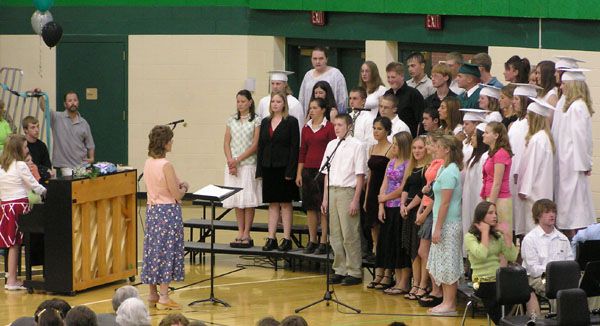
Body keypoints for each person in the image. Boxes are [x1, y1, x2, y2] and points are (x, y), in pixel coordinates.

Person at [465, 201, 538, 324]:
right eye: (490, 213)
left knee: (528, 290)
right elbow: (481, 255)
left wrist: (507, 235)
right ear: (481, 215)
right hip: (482, 281)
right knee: (503, 293)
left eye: (495, 213)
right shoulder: (470, 236)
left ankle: (535, 321)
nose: (495, 216)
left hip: (500, 279)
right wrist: (484, 233)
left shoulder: (497, 235)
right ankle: (505, 320)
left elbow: (512, 256)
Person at [142, 125, 188, 309]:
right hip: (167, 212)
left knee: (154, 250)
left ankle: (153, 294)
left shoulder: (148, 163)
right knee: (166, 252)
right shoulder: (166, 165)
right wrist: (185, 188)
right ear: (165, 143)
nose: (172, 143)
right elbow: (176, 194)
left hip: (153, 211)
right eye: (170, 139)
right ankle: (164, 296)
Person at [321, 114, 367, 286]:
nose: (336, 128)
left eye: (340, 125)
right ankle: (339, 268)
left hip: (348, 191)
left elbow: (360, 175)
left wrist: (356, 199)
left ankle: (354, 270)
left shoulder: (358, 145)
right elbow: (326, 174)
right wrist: (325, 198)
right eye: (335, 125)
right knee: (335, 233)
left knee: (349, 232)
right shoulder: (331, 145)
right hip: (332, 190)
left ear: (349, 126)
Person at [0, 135, 46, 291]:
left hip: (5, 207)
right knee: (15, 244)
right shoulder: (20, 165)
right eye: (25, 147)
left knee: (12, 244)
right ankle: (12, 280)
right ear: (18, 149)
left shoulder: (3, 166)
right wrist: (47, 190)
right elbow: (33, 185)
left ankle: (11, 276)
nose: (27, 149)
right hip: (18, 206)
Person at [257, 91, 300, 252]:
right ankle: (271, 237)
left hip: (284, 168)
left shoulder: (291, 122)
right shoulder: (266, 121)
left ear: (284, 104)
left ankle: (287, 238)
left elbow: (294, 147)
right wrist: (259, 169)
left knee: (286, 203)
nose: (275, 104)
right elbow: (261, 146)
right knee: (272, 203)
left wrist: (291, 170)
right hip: (269, 167)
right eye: (273, 101)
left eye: (278, 101)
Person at [554, 69, 595, 235]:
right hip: (569, 162)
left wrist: (585, 164)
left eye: (564, 84)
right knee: (572, 208)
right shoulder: (572, 106)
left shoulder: (577, 107)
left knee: (574, 208)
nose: (561, 87)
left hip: (572, 163)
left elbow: (580, 138)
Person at [426, 135, 464, 315]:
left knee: (449, 262)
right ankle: (446, 301)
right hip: (440, 221)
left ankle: (450, 303)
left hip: (448, 223)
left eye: (438, 146)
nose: (435, 149)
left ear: (447, 149)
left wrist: (438, 227)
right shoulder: (443, 167)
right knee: (442, 261)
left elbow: (446, 203)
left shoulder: (450, 171)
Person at [393, 136, 431, 299]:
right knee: (412, 250)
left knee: (420, 250)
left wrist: (408, 206)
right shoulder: (412, 167)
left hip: (419, 210)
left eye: (420, 148)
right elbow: (406, 188)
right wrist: (402, 204)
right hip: (408, 210)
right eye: (414, 148)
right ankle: (415, 282)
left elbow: (422, 193)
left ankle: (423, 283)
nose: (416, 151)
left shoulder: (427, 169)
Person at [296, 97, 335, 254]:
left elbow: (333, 150)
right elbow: (303, 151)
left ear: (323, 109)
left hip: (323, 171)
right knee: (310, 208)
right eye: (310, 108)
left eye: (315, 108)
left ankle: (324, 241)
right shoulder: (306, 128)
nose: (311, 110)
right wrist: (299, 173)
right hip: (308, 171)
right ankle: (312, 240)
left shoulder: (329, 127)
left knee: (323, 208)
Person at [375, 131, 413, 295]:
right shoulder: (391, 162)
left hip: (399, 207)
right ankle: (396, 280)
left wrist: (385, 197)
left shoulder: (408, 163)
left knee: (399, 244)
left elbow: (403, 187)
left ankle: (404, 282)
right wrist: (381, 204)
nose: (393, 147)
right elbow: (385, 183)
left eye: (396, 144)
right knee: (389, 243)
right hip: (388, 206)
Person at [223, 90, 262, 249]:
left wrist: (238, 159)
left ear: (250, 102)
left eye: (243, 101)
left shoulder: (256, 120)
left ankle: (247, 232)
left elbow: (255, 144)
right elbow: (226, 142)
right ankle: (240, 231)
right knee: (237, 201)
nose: (240, 104)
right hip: (233, 165)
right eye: (238, 101)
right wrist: (231, 161)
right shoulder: (231, 119)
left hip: (248, 165)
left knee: (248, 200)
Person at [521, 199, 573, 305]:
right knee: (556, 288)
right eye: (547, 212)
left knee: (588, 287)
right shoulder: (530, 239)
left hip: (562, 276)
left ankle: (591, 317)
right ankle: (559, 319)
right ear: (538, 215)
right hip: (539, 277)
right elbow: (534, 270)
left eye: (553, 212)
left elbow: (570, 262)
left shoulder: (562, 238)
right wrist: (554, 271)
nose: (552, 215)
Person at [516, 98, 555, 236]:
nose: (526, 117)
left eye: (529, 114)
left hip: (535, 191)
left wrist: (524, 189)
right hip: (542, 188)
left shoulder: (538, 139)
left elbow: (531, 167)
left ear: (535, 118)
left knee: (534, 228)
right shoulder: (544, 138)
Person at [415, 131, 445, 307]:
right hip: (426, 206)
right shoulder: (433, 163)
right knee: (424, 251)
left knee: (426, 251)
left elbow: (436, 194)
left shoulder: (441, 164)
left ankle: (437, 288)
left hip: (432, 210)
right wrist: (420, 208)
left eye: (429, 144)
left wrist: (425, 214)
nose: (427, 147)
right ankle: (435, 287)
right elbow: (427, 189)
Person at [363, 117, 393, 282]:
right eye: (374, 128)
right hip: (372, 191)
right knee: (374, 231)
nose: (376, 131)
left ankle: (387, 273)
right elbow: (370, 174)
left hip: (385, 191)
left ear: (387, 130)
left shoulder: (390, 149)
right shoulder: (372, 148)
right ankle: (378, 270)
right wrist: (366, 198)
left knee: (385, 234)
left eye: (379, 128)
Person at [39, 90, 95, 176]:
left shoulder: (84, 123)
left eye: (75, 100)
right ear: (65, 104)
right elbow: (44, 108)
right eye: (70, 101)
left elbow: (90, 144)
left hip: (82, 164)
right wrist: (39, 95)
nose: (73, 103)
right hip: (66, 166)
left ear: (78, 102)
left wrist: (91, 158)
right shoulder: (57, 118)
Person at [461, 123, 489, 256]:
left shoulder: (484, 158)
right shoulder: (473, 157)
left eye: (474, 136)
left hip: (477, 199)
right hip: (469, 198)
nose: (471, 139)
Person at [481, 122, 513, 232]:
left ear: (496, 135)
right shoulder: (493, 153)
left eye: (486, 132)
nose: (483, 135)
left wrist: (490, 206)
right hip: (492, 197)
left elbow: (497, 183)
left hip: (500, 200)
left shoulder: (501, 154)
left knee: (502, 233)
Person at [299, 47, 348, 113]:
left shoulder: (335, 74)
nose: (318, 61)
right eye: (315, 59)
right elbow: (302, 98)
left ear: (326, 59)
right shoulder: (308, 75)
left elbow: (342, 98)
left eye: (321, 58)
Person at [384, 62, 425, 137]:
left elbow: (421, 121)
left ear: (402, 76)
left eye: (393, 77)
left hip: (408, 139)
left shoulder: (413, 94)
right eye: (388, 77)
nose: (390, 80)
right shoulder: (387, 94)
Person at [257, 71, 304, 136]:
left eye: (278, 84)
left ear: (285, 85)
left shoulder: (294, 103)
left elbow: (299, 126)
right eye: (273, 83)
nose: (275, 86)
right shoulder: (263, 101)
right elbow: (258, 123)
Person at [22, 116, 52, 181]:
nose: (37, 130)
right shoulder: (21, 145)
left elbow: (48, 167)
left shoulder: (42, 145)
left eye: (37, 126)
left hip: (40, 178)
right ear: (25, 130)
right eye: (33, 127)